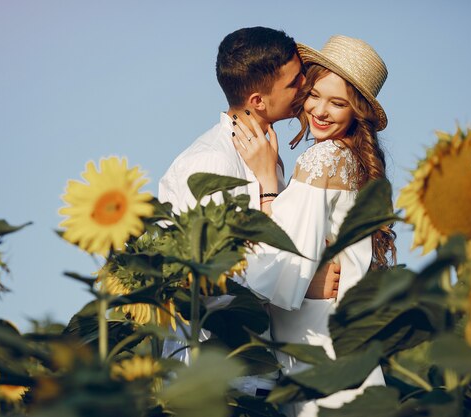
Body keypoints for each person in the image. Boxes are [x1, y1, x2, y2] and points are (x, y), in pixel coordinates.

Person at [158, 27, 341, 397]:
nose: (305, 87)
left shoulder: (264, 155)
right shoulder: (210, 162)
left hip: (253, 375)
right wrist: (306, 282)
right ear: (258, 100)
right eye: (294, 83)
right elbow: (216, 283)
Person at [233, 35, 397, 415]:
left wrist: (268, 186)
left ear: (358, 111)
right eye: (314, 95)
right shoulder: (353, 158)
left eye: (338, 103)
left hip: (318, 346)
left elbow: (278, 257)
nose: (320, 111)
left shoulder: (322, 157)